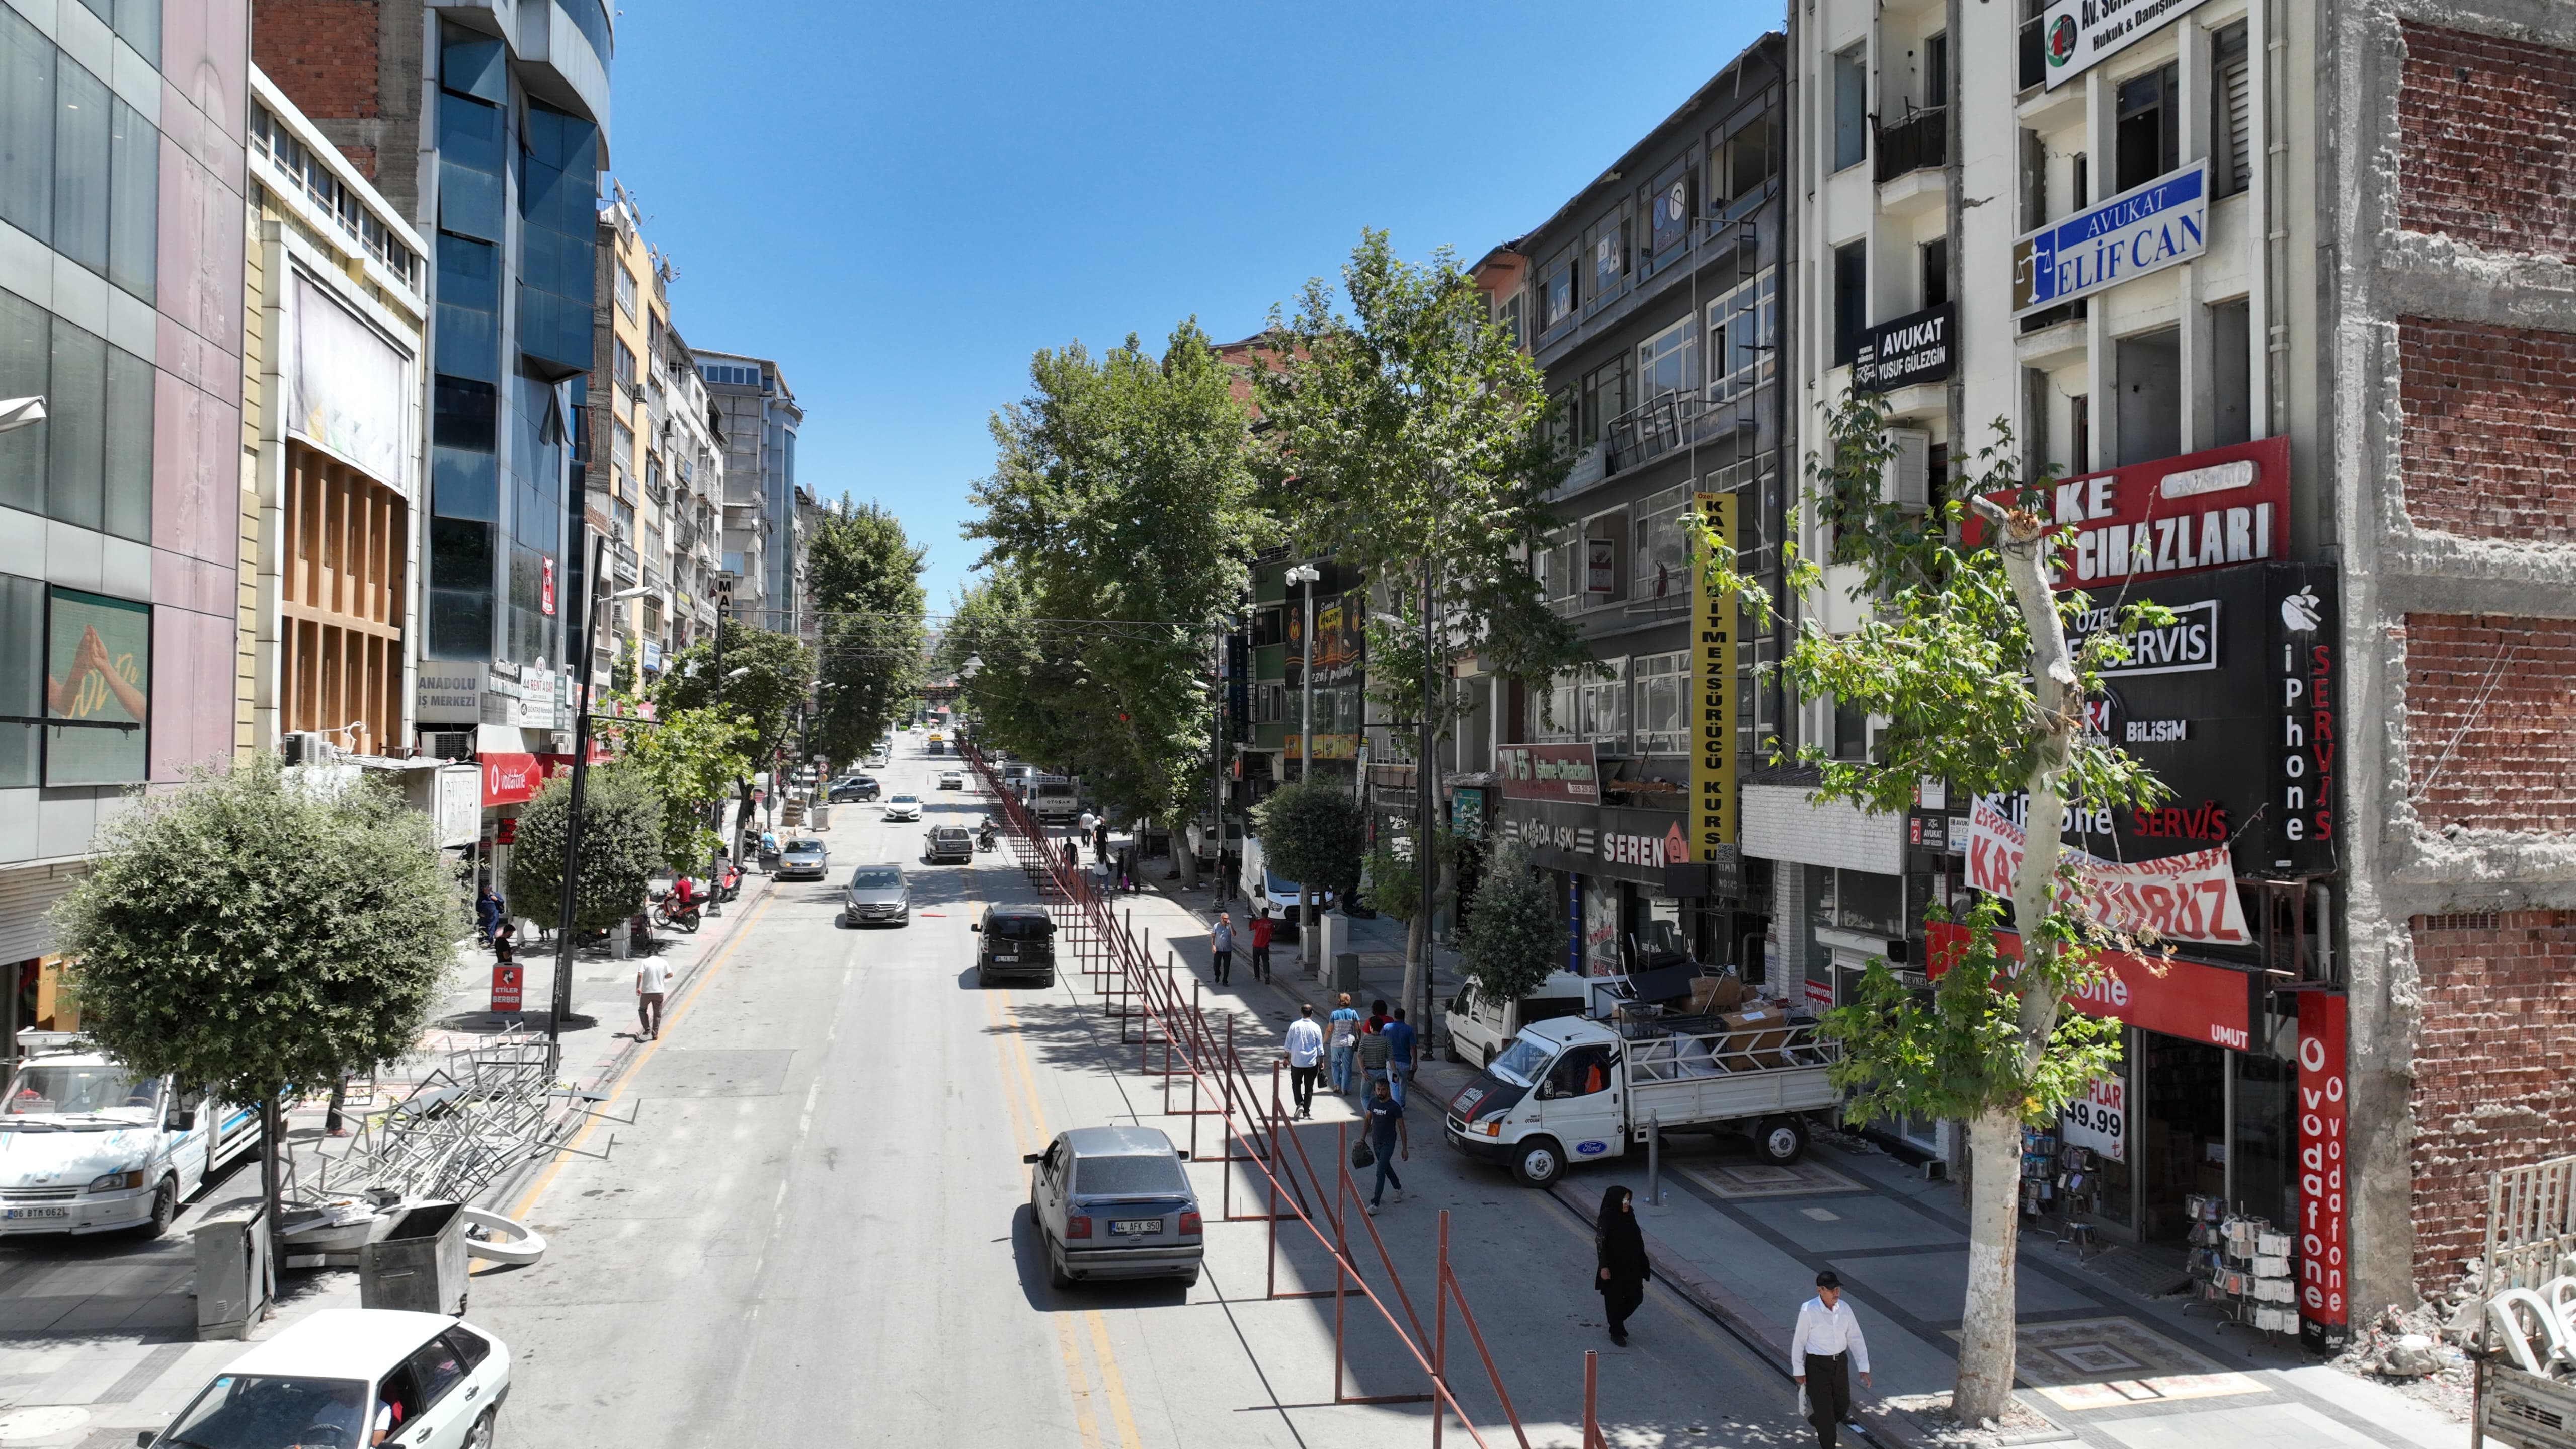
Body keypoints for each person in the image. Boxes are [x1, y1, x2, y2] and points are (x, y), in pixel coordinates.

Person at [1790, 1269, 1872, 1449]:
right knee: (1827, 1418)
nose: (1836, 1292)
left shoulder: (1845, 1308)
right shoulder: (1808, 1310)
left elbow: (1855, 1337)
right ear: (1820, 1290)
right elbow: (1799, 1342)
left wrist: (1863, 1366)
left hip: (1840, 1365)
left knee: (1843, 1406)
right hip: (1817, 1367)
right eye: (1831, 1289)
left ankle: (1818, 1419)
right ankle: (1825, 1433)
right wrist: (1798, 1371)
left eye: (1837, 1289)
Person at [1596, 1184, 1650, 1345]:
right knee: (1614, 1299)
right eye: (1624, 1200)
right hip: (1614, 1266)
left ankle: (1617, 1322)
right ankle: (1616, 1331)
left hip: (1633, 1264)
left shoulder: (1629, 1214)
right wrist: (1604, 1266)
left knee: (1636, 1297)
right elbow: (1600, 1242)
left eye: (1628, 1200)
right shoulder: (1607, 1217)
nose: (1627, 1203)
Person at [1363, 1077, 1408, 1213]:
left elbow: (1401, 1127)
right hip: (1376, 1142)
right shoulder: (1372, 1103)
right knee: (1386, 1167)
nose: (1380, 1092)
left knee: (1380, 1171)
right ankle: (1398, 1188)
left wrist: (1405, 1149)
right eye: (1378, 1089)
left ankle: (1375, 1204)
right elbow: (1367, 1121)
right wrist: (1362, 1139)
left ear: (1388, 1090)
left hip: (1388, 1143)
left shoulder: (1394, 1107)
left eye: (1383, 1090)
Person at [1284, 1003, 1324, 1118]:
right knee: (1309, 1086)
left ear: (1301, 1013)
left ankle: (1300, 1103)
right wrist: (1321, 1061)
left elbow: (1288, 1044)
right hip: (1311, 1062)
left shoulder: (1294, 1026)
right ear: (1312, 1014)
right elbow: (1320, 1047)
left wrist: (1286, 1058)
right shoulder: (1316, 1027)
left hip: (1296, 1061)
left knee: (1296, 1083)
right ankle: (1306, 1111)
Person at [1382, 1007, 1418, 1107]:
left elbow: (1381, 1041)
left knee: (1394, 1085)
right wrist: (1415, 1062)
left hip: (1392, 1064)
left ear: (1395, 1016)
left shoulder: (1387, 1028)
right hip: (1405, 1063)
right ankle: (1402, 1102)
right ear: (1404, 1017)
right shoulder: (1409, 1030)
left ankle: (1397, 1107)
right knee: (1403, 1083)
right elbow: (1413, 1047)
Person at [1328, 994, 1362, 1094]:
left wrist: (1324, 1040)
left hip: (1336, 1043)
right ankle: (1345, 1088)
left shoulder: (1334, 1014)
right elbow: (1358, 1028)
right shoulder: (1353, 1013)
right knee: (1347, 1066)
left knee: (1335, 1064)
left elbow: (1329, 1029)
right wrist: (1358, 1038)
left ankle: (1337, 1085)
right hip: (1349, 1042)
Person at [1357, 1013, 1393, 1098]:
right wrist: (1395, 1072)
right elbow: (1391, 1058)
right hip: (1382, 1072)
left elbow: (1359, 1055)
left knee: (1364, 1096)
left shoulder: (1365, 1039)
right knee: (1381, 1096)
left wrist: (1363, 1071)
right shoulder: (1386, 1040)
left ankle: (1369, 1111)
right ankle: (1378, 1110)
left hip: (1369, 1072)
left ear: (1371, 1028)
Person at [635, 955, 670, 1041]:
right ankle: (655, 1034)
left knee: (642, 1010)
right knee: (657, 1014)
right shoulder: (663, 962)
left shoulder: (645, 962)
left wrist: (638, 987)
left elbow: (640, 974)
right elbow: (670, 974)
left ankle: (647, 1027)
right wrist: (662, 977)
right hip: (659, 992)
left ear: (649, 955)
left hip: (647, 992)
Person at [1249, 909, 1274, 984]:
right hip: (1265, 947)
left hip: (1256, 946)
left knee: (1256, 962)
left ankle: (1257, 976)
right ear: (1268, 914)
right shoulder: (1270, 923)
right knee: (1266, 962)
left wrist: (1251, 920)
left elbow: (1250, 928)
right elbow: (1272, 932)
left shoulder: (1257, 922)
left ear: (1262, 913)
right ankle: (1267, 974)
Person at [1210, 913, 1235, 985]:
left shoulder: (1229, 927)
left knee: (1227, 967)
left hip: (1227, 951)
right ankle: (1217, 974)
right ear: (1221, 918)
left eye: (1226, 919)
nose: (1225, 920)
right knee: (1216, 966)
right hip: (1218, 950)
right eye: (1223, 918)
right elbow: (1213, 937)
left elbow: (1234, 934)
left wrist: (1230, 926)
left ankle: (1225, 980)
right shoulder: (1216, 926)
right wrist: (1213, 946)